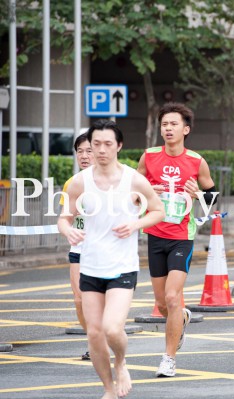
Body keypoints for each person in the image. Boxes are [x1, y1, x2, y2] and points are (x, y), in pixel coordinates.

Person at [58, 120, 164, 399]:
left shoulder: (134, 180)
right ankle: (107, 388)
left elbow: (158, 211)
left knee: (112, 328)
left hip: (121, 266)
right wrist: (68, 229)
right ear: (90, 147)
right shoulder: (80, 183)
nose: (101, 150)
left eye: (107, 144)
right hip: (91, 265)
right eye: (96, 144)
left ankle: (121, 362)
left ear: (118, 146)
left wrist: (135, 224)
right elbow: (64, 217)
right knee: (94, 334)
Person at [137, 102, 217, 377]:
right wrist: (150, 191)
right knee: (162, 304)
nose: (168, 129)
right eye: (164, 124)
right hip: (155, 235)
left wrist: (198, 194)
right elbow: (133, 193)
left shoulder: (196, 161)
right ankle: (181, 319)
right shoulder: (148, 157)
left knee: (173, 297)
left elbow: (212, 197)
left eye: (173, 124)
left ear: (186, 129)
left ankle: (168, 358)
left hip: (182, 236)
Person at [59, 132, 94, 361]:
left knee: (102, 300)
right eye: (79, 151)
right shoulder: (72, 183)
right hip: (79, 248)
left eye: (88, 150)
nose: (84, 155)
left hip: (105, 249)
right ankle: (93, 341)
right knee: (79, 299)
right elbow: (65, 218)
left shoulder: (113, 181)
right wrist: (69, 226)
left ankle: (106, 335)